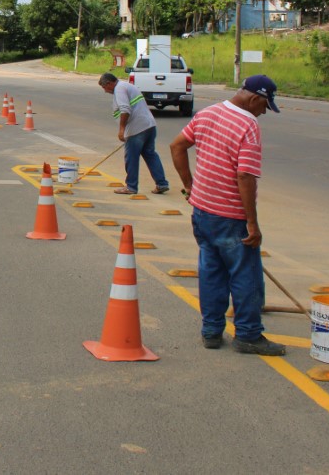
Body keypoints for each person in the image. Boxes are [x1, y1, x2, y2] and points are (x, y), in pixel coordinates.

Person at [169, 74, 284, 356]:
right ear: (255, 98)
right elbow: (245, 175)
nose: (263, 112)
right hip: (231, 216)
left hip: (203, 211)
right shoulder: (248, 125)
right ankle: (247, 335)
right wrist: (252, 223)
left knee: (211, 272)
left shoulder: (208, 113)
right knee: (244, 275)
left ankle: (211, 332)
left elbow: (177, 146)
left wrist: (189, 185)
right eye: (265, 106)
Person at [98, 72, 169, 195]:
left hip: (137, 129)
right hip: (149, 125)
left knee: (131, 158)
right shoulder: (127, 86)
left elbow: (125, 110)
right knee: (150, 155)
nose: (105, 91)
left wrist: (122, 130)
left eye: (104, 87)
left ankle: (131, 186)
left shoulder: (119, 89)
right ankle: (162, 183)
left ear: (109, 83)